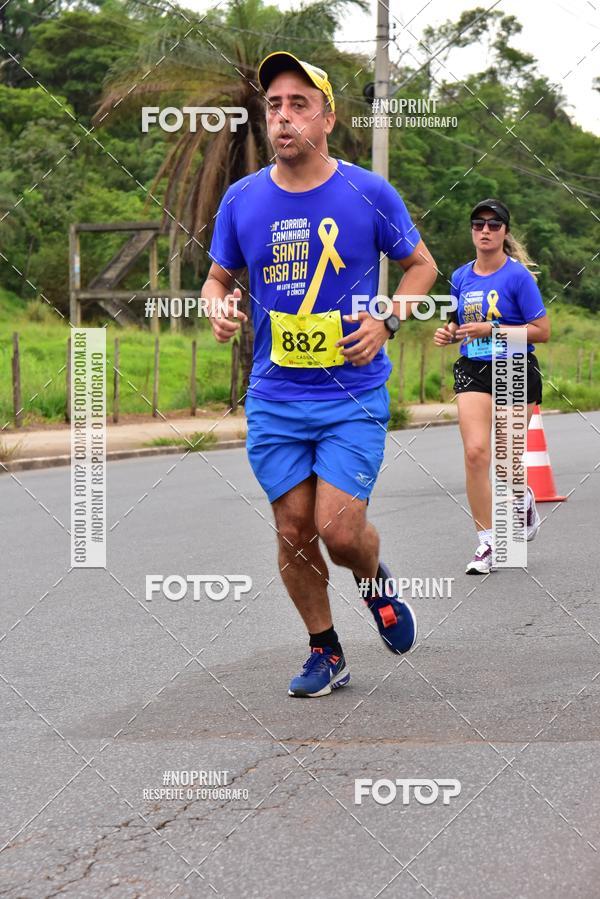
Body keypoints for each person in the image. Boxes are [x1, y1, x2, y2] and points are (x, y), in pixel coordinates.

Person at [201, 51, 437, 697]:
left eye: (298, 104)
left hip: (351, 392)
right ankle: (325, 649)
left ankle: (374, 582)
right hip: (275, 395)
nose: (283, 117)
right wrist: (217, 305)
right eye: (274, 105)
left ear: (327, 118)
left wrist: (388, 318)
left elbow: (421, 265)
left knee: (337, 529)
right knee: (292, 528)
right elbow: (217, 276)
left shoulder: (367, 191)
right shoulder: (242, 199)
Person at [433, 199, 550, 574]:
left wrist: (493, 329)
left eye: (494, 224)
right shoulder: (460, 276)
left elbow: (542, 331)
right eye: (478, 224)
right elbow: (458, 323)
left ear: (504, 232)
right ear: (472, 231)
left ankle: (523, 499)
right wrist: (448, 333)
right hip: (474, 369)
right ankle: (487, 542)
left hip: (514, 365)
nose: (485, 230)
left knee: (507, 461)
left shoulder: (517, 277)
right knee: (475, 453)